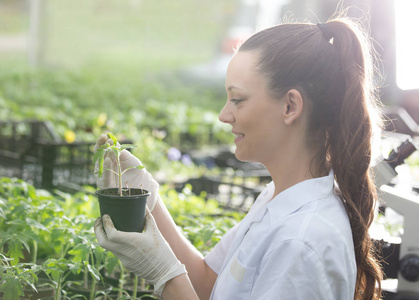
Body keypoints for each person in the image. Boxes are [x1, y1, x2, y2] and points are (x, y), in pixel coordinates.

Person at [94, 14, 384, 300]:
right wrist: (149, 197)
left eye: (237, 99)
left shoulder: (302, 243)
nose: (224, 115)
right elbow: (210, 284)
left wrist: (164, 276)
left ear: (290, 106)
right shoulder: (276, 198)